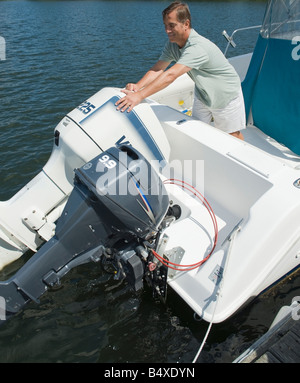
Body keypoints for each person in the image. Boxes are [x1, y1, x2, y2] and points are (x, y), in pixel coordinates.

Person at [115, 1, 245, 140]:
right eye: (165, 25)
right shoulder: (173, 44)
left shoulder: (197, 47)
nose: (167, 31)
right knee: (197, 131)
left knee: (231, 137)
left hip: (225, 94)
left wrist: (139, 96)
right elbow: (158, 69)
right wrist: (138, 86)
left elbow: (171, 75)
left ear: (186, 24)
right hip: (203, 94)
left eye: (172, 25)